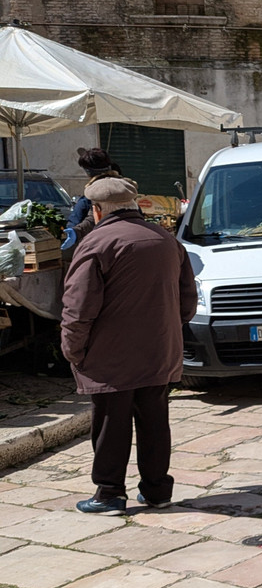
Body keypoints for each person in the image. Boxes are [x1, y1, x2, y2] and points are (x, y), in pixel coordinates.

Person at [61, 177, 197, 515]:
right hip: (159, 350)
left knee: (111, 424)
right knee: (154, 422)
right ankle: (157, 491)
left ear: (96, 210)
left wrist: (72, 349)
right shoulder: (165, 239)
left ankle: (109, 494)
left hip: (112, 354)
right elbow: (188, 300)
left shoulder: (96, 244)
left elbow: (79, 308)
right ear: (134, 204)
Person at [63, 148, 124, 250]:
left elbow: (92, 219)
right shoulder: (124, 188)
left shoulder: (94, 194)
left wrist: (76, 231)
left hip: (106, 245)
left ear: (88, 172)